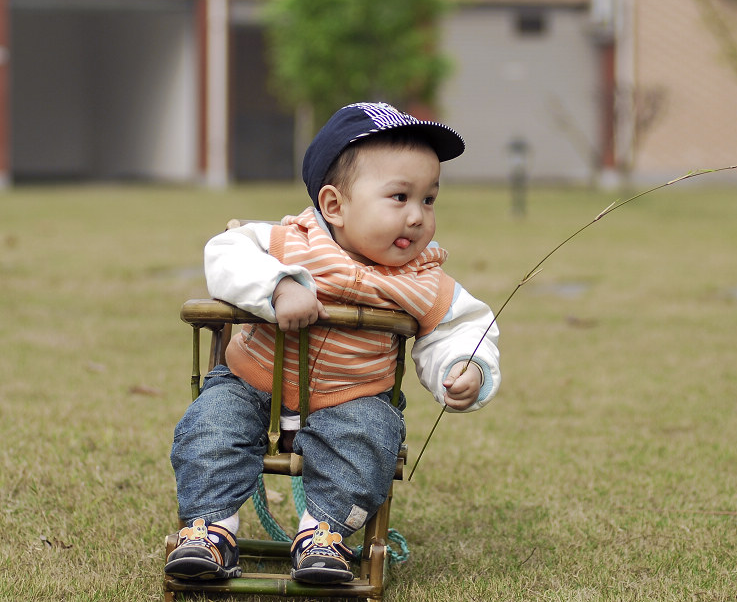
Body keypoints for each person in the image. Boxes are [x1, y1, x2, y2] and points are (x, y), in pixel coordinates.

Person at [165, 102, 501, 584]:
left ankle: (325, 535)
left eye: (429, 200)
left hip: (351, 397)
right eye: (399, 197)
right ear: (334, 206)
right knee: (211, 425)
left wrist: (466, 367)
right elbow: (224, 254)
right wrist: (279, 286)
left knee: (369, 436)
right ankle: (209, 528)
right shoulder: (287, 242)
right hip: (253, 381)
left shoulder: (422, 279)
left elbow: (464, 325)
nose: (416, 217)